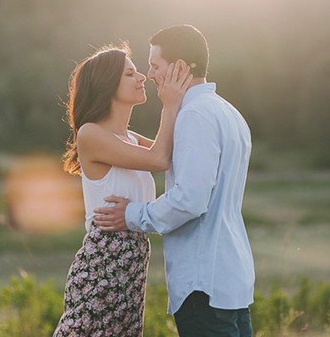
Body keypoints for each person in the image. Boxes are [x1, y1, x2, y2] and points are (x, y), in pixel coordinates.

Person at [93, 24, 255, 337]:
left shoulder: (194, 115)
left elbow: (190, 200)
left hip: (202, 284)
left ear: (180, 68)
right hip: (230, 278)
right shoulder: (229, 112)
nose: (149, 74)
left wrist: (131, 214)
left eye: (155, 66)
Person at [54, 45, 192, 336]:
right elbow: (159, 159)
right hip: (104, 264)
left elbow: (168, 149)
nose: (142, 77)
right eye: (130, 73)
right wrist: (169, 105)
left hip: (131, 264)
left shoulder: (127, 137)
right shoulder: (91, 133)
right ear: (107, 86)